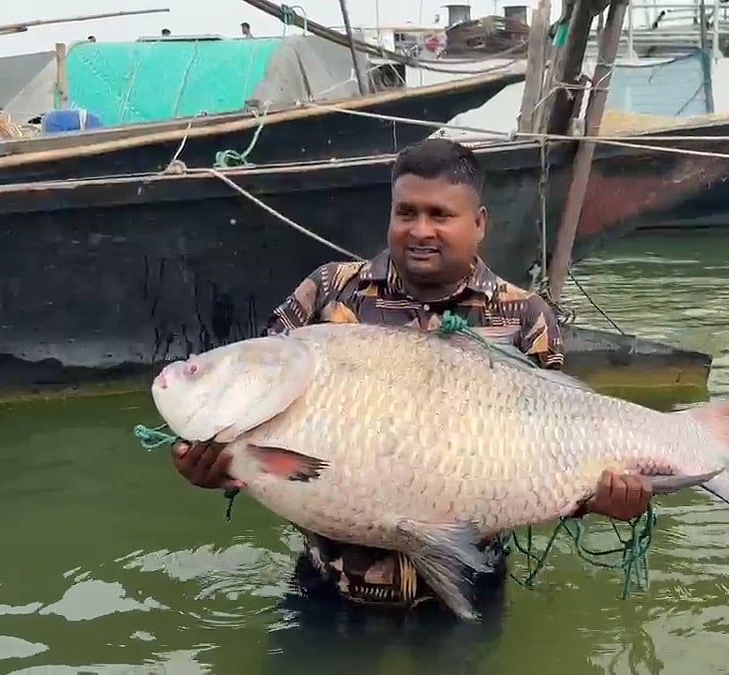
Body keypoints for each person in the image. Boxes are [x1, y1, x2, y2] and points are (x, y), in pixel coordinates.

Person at [170, 138, 653, 623]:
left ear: (479, 223)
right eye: (406, 213)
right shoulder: (329, 290)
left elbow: (549, 452)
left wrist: (596, 497)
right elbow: (258, 411)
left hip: (469, 575)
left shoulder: (523, 316)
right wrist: (215, 471)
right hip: (332, 582)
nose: (421, 230)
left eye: (440, 215)